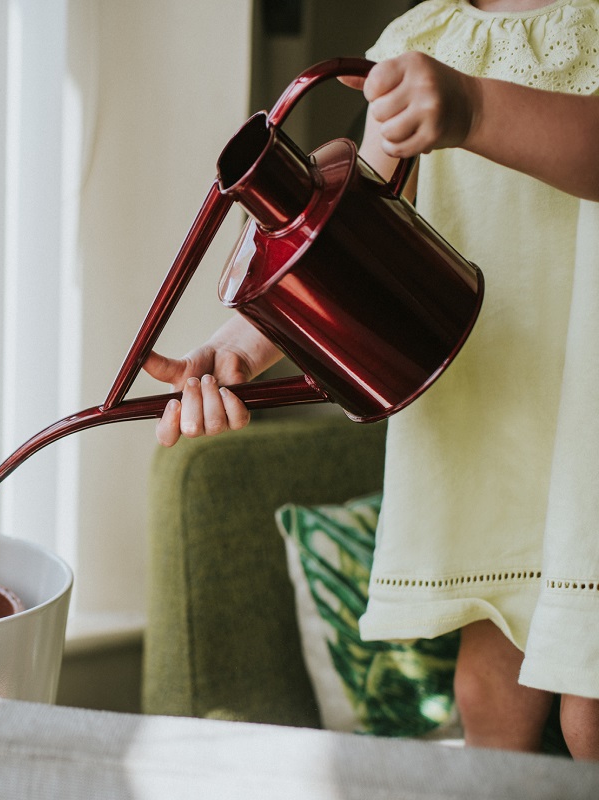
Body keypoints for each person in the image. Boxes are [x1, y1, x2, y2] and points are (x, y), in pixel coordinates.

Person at [145, 0, 599, 759]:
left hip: (588, 427)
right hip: (494, 433)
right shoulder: (416, 41)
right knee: (488, 693)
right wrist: (243, 346)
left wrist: (476, 105)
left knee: (592, 714)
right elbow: (344, 229)